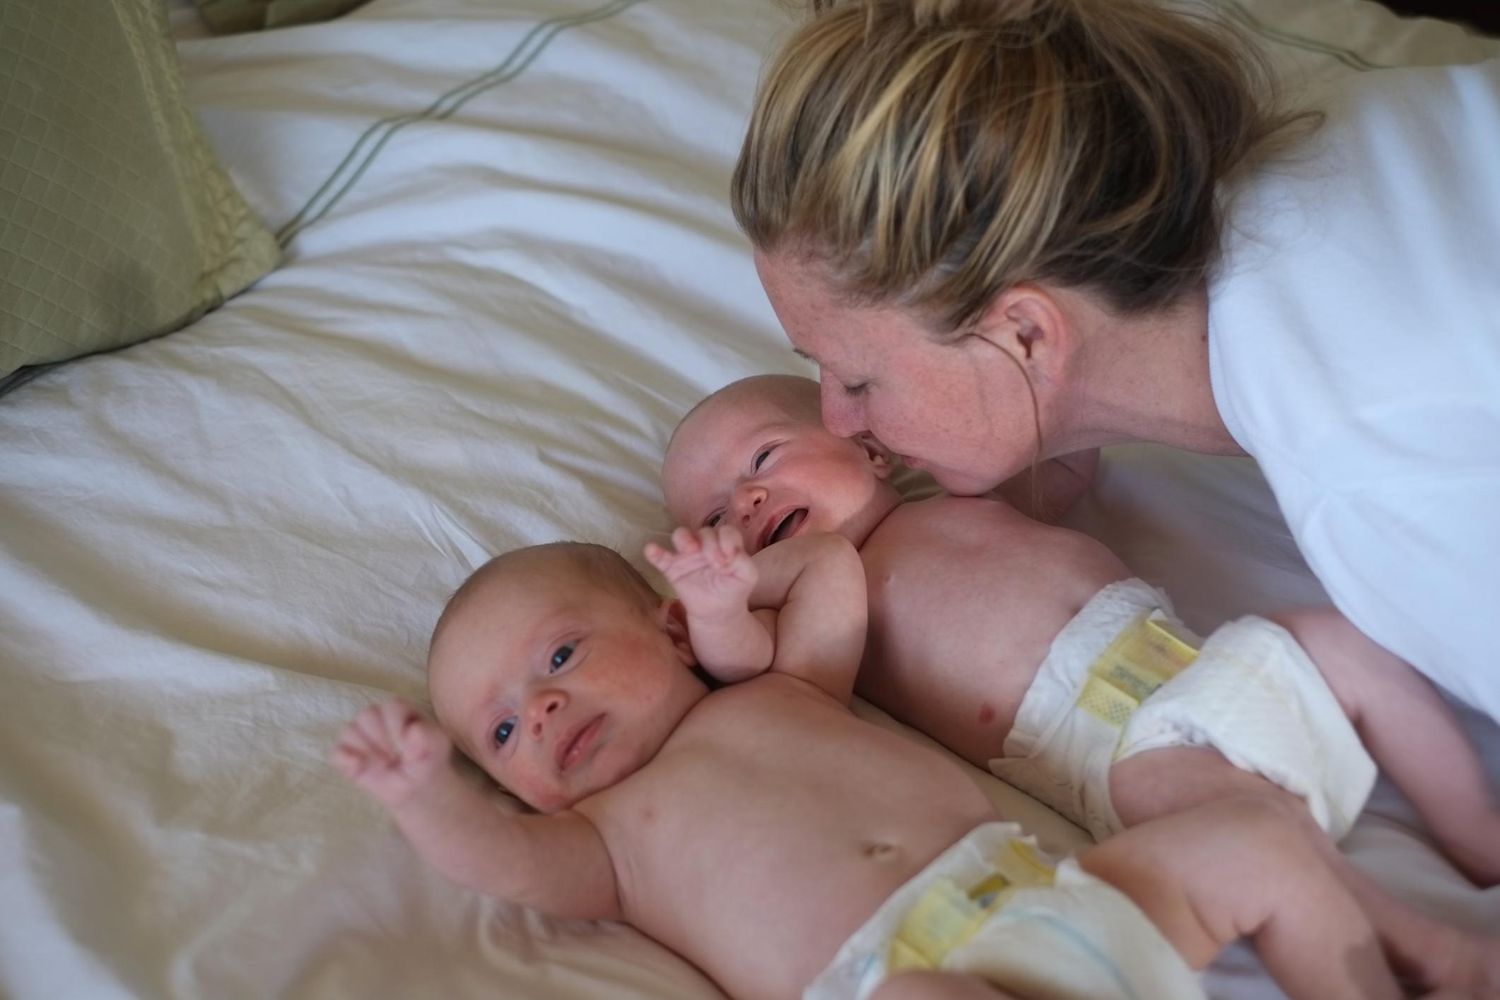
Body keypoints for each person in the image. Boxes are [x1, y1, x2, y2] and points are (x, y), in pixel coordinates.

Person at [728, 0, 1500, 723]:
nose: (834, 417)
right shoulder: (1347, 124)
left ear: (1026, 336)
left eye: (860, 378)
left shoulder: (1384, 479)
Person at [660, 373, 1500, 991]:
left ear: (869, 446)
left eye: (762, 458)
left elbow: (1065, 465)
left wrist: (1023, 392)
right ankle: (1414, 944)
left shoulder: (962, 495)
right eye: (714, 519)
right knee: (1225, 813)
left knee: (1338, 639)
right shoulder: (820, 588)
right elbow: (755, 674)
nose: (746, 504)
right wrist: (715, 608)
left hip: (1208, 667)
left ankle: (1474, 831)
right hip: (1117, 748)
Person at [333, 526, 1426, 1000]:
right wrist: (427, 795)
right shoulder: (602, 840)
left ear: (666, 631)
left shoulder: (784, 687)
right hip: (896, 978)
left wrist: (729, 590)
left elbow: (829, 574)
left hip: (1070, 906)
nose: (545, 706)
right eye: (504, 733)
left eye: (559, 655)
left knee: (1253, 839)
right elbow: (501, 864)